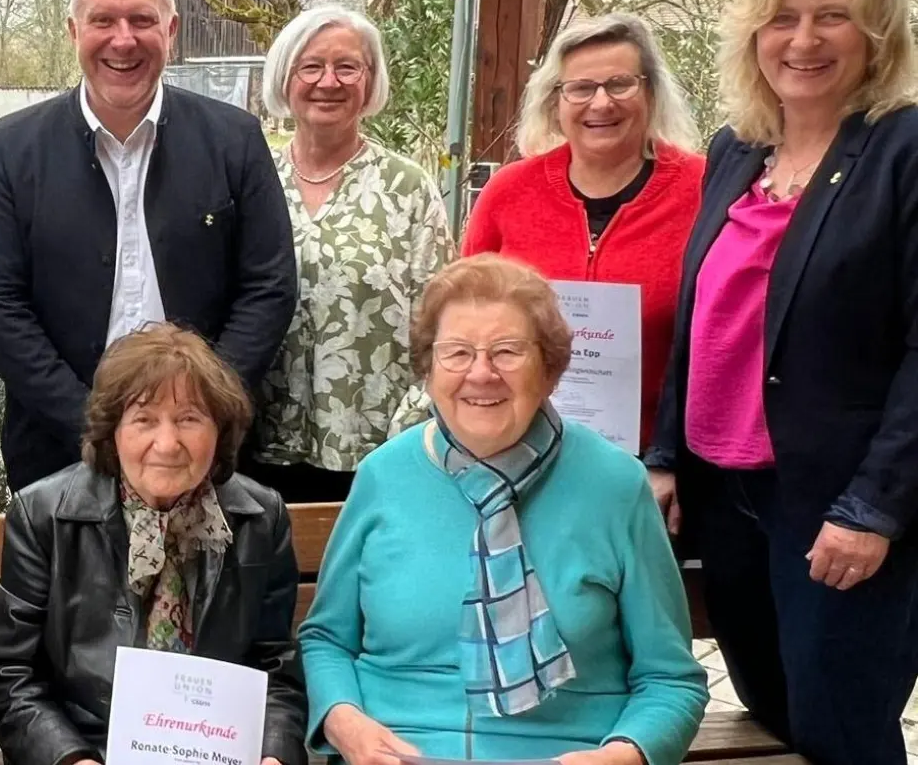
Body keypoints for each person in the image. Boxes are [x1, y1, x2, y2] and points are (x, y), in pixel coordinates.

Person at [645, 0, 918, 765]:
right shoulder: (736, 150)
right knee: (772, 713)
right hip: (725, 496)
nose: (803, 40)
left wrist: (872, 508)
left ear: (877, 32)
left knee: (842, 732)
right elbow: (702, 315)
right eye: (782, 18)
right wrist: (665, 454)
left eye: (832, 16)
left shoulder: (904, 150)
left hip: (838, 506)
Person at [301, 254, 708, 765]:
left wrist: (622, 756)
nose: (481, 373)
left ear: (551, 369)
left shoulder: (615, 485)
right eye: (457, 353)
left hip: (564, 754)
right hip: (397, 752)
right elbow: (326, 640)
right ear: (428, 369)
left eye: (508, 352)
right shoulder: (384, 476)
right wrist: (344, 722)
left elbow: (671, 679)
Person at [0, 0, 297, 492]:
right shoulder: (10, 150)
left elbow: (269, 286)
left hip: (207, 456)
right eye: (103, 20)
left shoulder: (234, 141)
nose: (123, 40)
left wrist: (201, 412)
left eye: (142, 20)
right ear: (74, 31)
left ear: (171, 31)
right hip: (56, 456)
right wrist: (92, 426)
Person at [0, 324, 307, 765]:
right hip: (87, 748)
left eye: (189, 419)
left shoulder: (261, 517)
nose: (167, 444)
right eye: (144, 420)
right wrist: (71, 759)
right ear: (112, 432)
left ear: (220, 431)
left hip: (218, 752)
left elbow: (276, 668)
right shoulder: (43, 514)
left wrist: (274, 755)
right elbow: (9, 675)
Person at [462, 12, 703, 456]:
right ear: (555, 101)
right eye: (581, 88)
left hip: (660, 459)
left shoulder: (705, 189)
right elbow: (465, 315)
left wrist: (669, 460)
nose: (601, 103)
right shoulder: (508, 193)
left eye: (620, 84)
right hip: (520, 449)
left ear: (650, 92)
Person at [245, 5, 454, 502]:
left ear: (370, 80)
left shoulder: (406, 188)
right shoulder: (250, 178)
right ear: (285, 78)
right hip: (255, 443)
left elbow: (443, 318)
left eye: (347, 67)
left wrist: (414, 425)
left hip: (377, 446)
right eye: (311, 66)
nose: (329, 82)